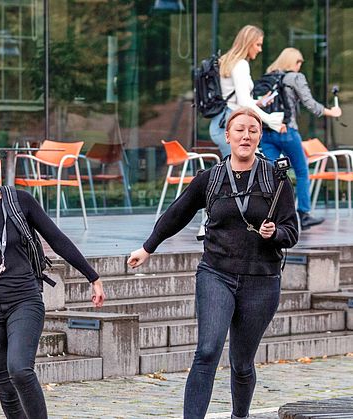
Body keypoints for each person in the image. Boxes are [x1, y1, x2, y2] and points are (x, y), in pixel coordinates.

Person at [129, 108, 298, 419]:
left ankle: (240, 416)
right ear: (228, 136)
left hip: (261, 279)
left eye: (252, 130)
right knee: (207, 351)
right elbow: (177, 213)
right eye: (239, 130)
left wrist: (275, 234)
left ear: (259, 137)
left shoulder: (276, 178)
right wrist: (148, 247)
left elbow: (292, 231)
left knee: (242, 363)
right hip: (216, 273)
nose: (246, 135)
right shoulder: (210, 178)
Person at [0, 137, 105, 419]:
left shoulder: (21, 201)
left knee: (19, 369)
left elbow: (57, 239)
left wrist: (93, 276)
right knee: (5, 387)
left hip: (24, 299)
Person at [261, 47, 342, 230]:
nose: (300, 67)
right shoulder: (295, 77)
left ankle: (272, 214)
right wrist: (332, 112)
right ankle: (303, 214)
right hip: (287, 131)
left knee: (273, 175)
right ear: (294, 62)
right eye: (299, 63)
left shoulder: (269, 77)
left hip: (266, 133)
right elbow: (310, 104)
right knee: (302, 170)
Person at [210, 25, 285, 158]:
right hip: (231, 124)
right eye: (257, 44)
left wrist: (258, 103)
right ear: (248, 43)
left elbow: (237, 98)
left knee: (243, 171)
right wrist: (270, 120)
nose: (260, 49)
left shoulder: (229, 62)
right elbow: (243, 101)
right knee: (241, 173)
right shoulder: (240, 65)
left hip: (223, 123)